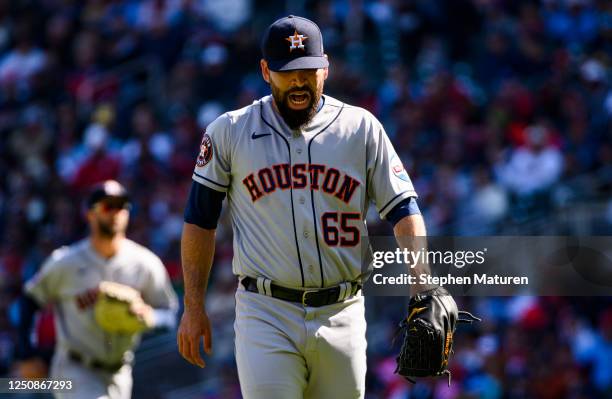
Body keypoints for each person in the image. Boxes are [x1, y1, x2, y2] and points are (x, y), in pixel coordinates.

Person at [177, 15, 454, 398]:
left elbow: (403, 209)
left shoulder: (361, 128)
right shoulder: (229, 131)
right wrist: (193, 307)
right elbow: (199, 221)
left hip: (342, 310)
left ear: (326, 68)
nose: (298, 82)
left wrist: (422, 281)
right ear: (265, 71)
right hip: (265, 312)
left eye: (308, 70)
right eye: (287, 72)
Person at [17, 180, 178, 399]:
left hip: (120, 372)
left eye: (120, 205)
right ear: (90, 214)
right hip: (75, 369)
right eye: (106, 206)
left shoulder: (145, 263)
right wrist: (27, 354)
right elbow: (29, 301)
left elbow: (169, 313)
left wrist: (150, 317)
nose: (114, 212)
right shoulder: (65, 262)